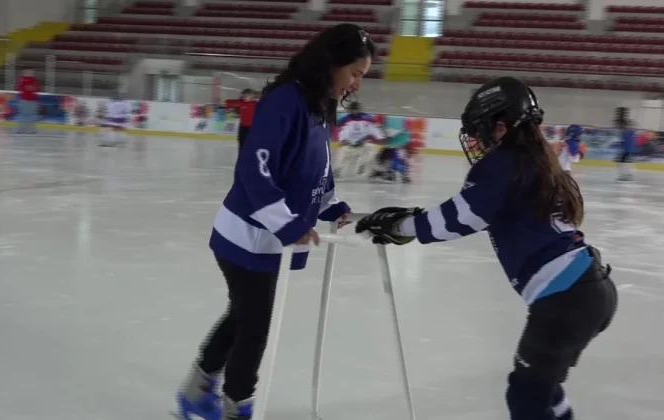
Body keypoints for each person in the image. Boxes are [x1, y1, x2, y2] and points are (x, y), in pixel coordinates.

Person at [355, 77, 617, 420]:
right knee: (542, 390)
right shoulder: (538, 159)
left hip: (565, 300)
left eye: (479, 129)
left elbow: (459, 219)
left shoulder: (503, 163)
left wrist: (398, 226)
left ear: (501, 126)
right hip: (588, 290)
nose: (476, 139)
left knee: (527, 396)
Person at [176, 23, 375, 420]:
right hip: (246, 238)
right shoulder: (285, 102)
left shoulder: (319, 105)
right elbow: (255, 172)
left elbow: (315, 172)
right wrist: (288, 225)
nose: (356, 84)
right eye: (354, 73)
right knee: (254, 327)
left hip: (268, 242)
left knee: (242, 318)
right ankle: (236, 408)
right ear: (331, 63)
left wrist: (335, 209)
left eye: (361, 77)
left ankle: (196, 391)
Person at [333, 101, 384, 178]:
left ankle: (362, 165)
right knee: (344, 155)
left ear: (359, 110)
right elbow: (340, 130)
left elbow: (374, 128)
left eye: (355, 110)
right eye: (352, 110)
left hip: (363, 142)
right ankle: (338, 170)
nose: (353, 112)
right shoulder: (344, 119)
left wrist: (380, 137)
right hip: (349, 142)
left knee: (369, 150)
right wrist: (342, 139)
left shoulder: (368, 118)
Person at [17, 69, 40, 134]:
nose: (31, 73)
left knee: (32, 115)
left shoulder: (35, 80)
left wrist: (31, 89)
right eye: (29, 72)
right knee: (23, 115)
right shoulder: (22, 79)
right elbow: (24, 88)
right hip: (24, 100)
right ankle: (21, 129)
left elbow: (35, 89)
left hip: (33, 101)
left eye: (32, 72)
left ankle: (32, 130)